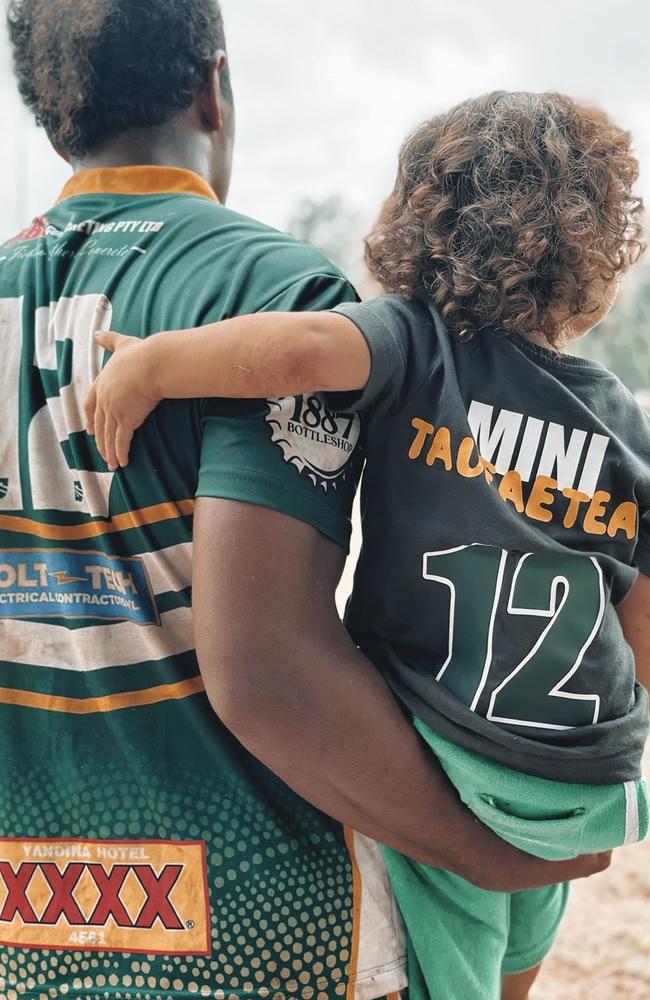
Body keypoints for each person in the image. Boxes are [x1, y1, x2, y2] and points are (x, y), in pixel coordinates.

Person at [0, 4, 599, 998]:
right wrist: (488, 854)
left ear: (54, 118)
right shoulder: (266, 292)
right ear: (212, 87)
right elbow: (265, 669)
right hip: (266, 928)